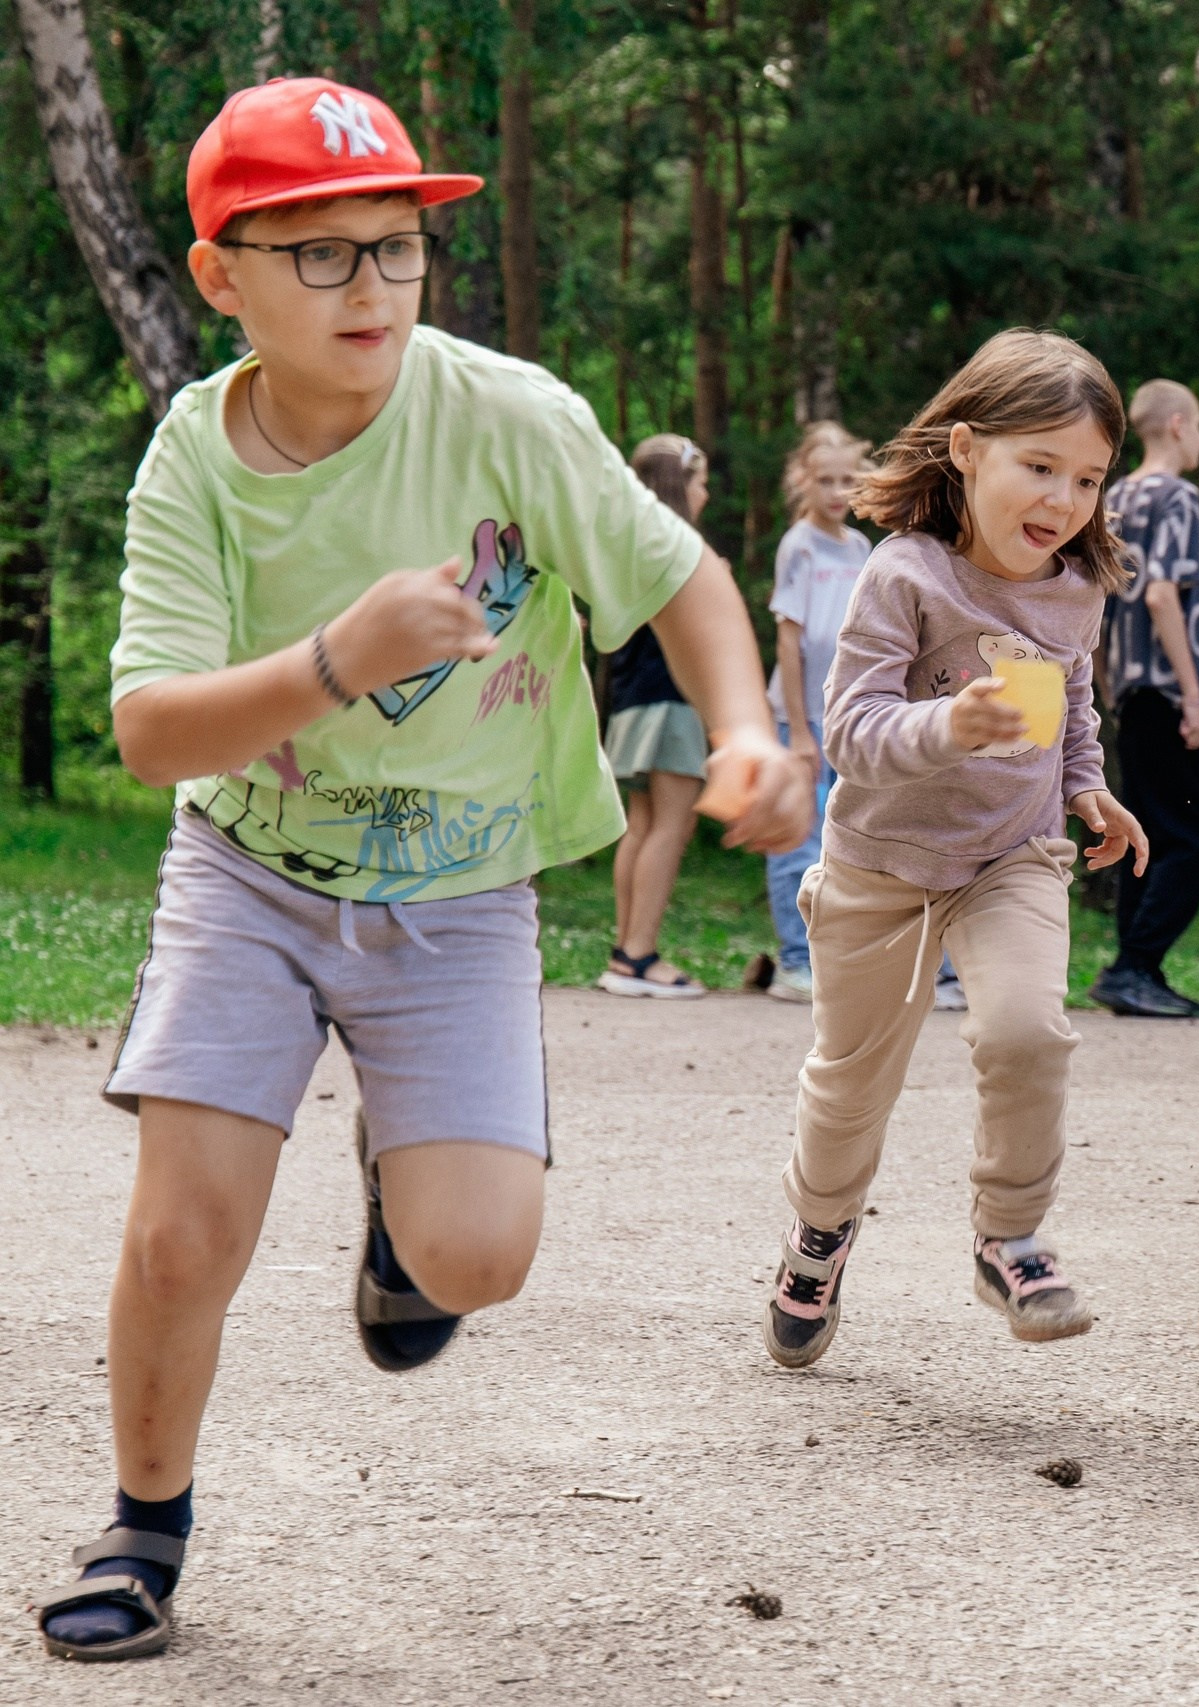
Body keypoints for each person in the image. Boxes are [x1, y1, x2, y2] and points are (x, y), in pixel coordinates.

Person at [40, 78, 807, 1662]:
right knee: (184, 1231)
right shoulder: (198, 458)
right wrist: (338, 657)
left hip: (461, 888)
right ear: (221, 275)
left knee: (478, 1254)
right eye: (320, 254)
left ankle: (404, 1210)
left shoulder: (509, 414)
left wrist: (744, 728)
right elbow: (151, 730)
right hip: (250, 874)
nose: (372, 286)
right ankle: (142, 1523)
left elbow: (684, 579)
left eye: (397, 246)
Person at [762, 329, 1150, 1368]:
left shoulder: (1075, 586)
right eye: (1041, 466)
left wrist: (1085, 785)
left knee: (1028, 1033)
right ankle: (820, 1231)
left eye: (1087, 479)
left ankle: (1009, 1237)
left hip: (1009, 858)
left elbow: (1071, 700)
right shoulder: (904, 574)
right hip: (879, 864)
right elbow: (851, 732)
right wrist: (950, 726)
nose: (1063, 500)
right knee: (850, 1084)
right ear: (968, 451)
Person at [1087, 379, 1199, 1019]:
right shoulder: (1178, 497)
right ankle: (1135, 965)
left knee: (1146, 829)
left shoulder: (1112, 498)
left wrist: (1107, 685)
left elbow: (1095, 602)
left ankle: (1136, 968)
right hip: (1169, 690)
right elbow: (1163, 595)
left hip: (1130, 691)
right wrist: (1193, 697)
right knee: (1198, 835)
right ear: (1176, 425)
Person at [599, 435, 718, 997]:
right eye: (700, 483)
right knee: (672, 824)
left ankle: (625, 951)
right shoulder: (683, 553)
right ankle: (640, 954)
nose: (706, 494)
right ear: (677, 486)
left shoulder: (627, 552)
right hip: (671, 702)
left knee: (642, 823)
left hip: (629, 703)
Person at [762, 423, 874, 1003]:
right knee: (797, 840)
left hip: (848, 720)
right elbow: (790, 639)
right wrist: (800, 730)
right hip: (800, 720)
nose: (837, 493)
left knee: (847, 842)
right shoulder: (799, 545)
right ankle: (793, 962)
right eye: (824, 481)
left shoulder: (861, 549)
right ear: (801, 480)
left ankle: (838, 958)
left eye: (847, 480)